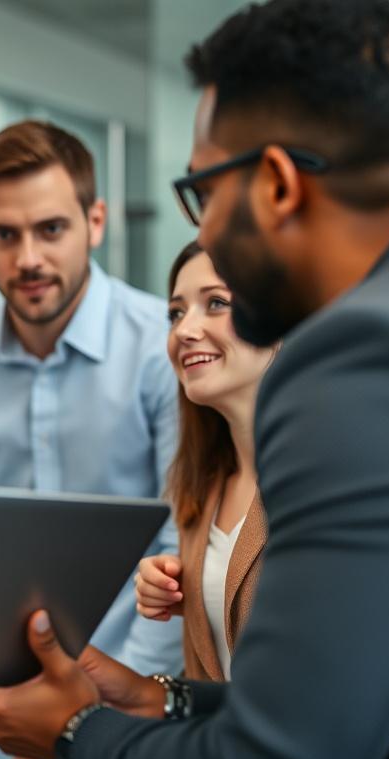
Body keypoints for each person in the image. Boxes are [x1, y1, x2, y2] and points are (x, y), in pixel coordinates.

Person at [0, 1, 389, 759]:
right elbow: (364, 695)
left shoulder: (366, 354)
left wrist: (72, 733)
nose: (205, 235)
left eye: (205, 194)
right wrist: (163, 698)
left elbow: (279, 755)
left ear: (277, 184)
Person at [0, 120, 182, 676]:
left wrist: (121, 696)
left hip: (138, 684)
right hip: (4, 688)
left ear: (96, 222)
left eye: (51, 229)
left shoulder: (165, 347)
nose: (28, 259)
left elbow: (182, 543)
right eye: (3, 234)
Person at [134, 241, 272, 682]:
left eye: (216, 303)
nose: (185, 330)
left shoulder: (324, 477)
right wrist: (185, 590)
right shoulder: (202, 487)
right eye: (176, 313)